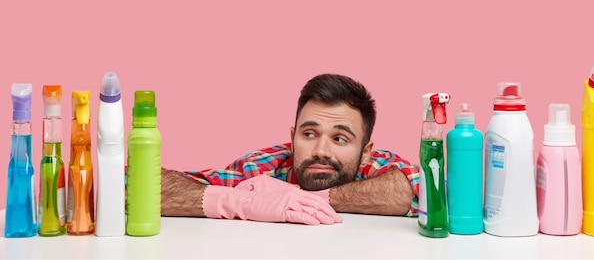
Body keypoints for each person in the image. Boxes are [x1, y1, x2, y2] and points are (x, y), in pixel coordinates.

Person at [161, 73, 420, 225]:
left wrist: (304, 200)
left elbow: (427, 188)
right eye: (309, 134)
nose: (321, 150)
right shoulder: (264, 168)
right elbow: (135, 183)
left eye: (339, 139)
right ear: (293, 137)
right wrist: (242, 202)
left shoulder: (376, 166)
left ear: (365, 151)